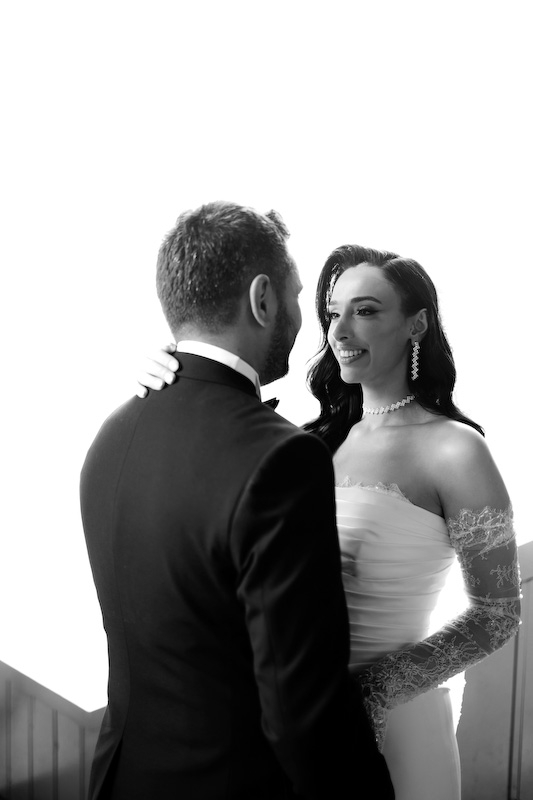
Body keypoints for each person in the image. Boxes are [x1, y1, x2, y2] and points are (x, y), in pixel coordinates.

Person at [139, 243, 521, 800]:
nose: (339, 331)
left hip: (396, 728)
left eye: (365, 311)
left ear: (416, 324)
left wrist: (373, 692)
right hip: (301, 728)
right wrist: (176, 376)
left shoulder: (456, 450)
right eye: (332, 313)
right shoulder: (311, 441)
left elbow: (498, 613)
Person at [81, 204, 394, 799]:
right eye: (298, 296)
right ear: (263, 299)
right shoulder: (281, 459)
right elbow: (302, 714)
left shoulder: (112, 431)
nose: (310, 322)